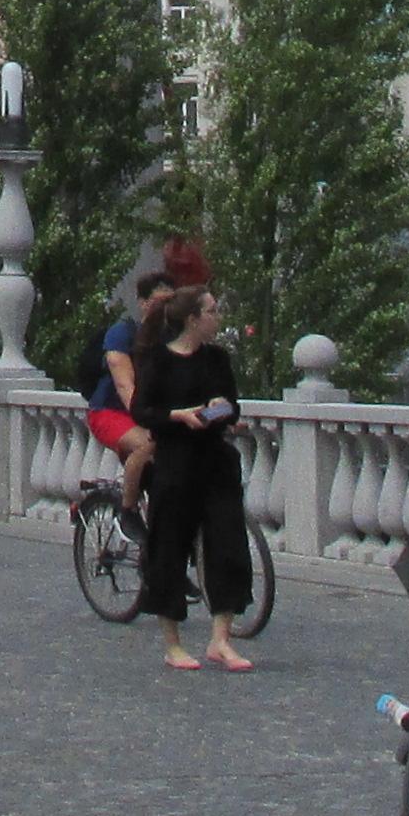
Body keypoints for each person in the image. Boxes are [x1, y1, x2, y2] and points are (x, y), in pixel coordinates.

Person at [124, 285, 257, 674]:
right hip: (175, 463)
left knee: (228, 545)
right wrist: (179, 416)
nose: (218, 317)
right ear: (193, 319)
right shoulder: (159, 360)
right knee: (170, 548)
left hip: (215, 461)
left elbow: (233, 405)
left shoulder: (218, 358)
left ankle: (221, 639)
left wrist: (222, 408)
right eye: (212, 311)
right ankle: (173, 643)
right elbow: (142, 410)